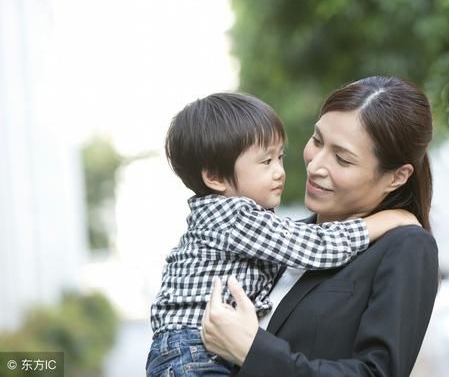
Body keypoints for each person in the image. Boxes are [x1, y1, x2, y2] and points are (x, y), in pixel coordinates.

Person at [146, 92, 419, 377]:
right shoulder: (235, 216)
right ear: (214, 177)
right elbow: (316, 247)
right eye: (266, 162)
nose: (282, 172)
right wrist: (384, 221)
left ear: (397, 176)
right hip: (193, 351)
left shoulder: (409, 246)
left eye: (280, 157)